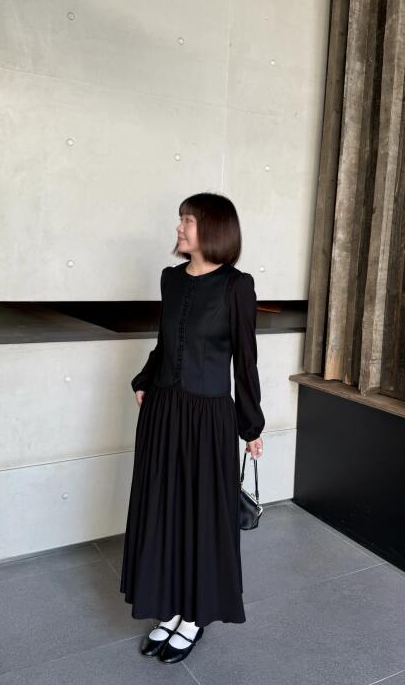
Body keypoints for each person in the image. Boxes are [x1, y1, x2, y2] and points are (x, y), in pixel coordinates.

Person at [120, 192, 265, 664]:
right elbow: (166, 342)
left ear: (214, 229)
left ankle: (194, 616)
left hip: (208, 418)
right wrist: (146, 379)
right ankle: (168, 609)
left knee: (201, 516)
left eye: (188, 220)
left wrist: (251, 425)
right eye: (181, 219)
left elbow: (245, 360)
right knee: (163, 510)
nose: (179, 227)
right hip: (163, 412)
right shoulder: (171, 279)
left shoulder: (236, 286)